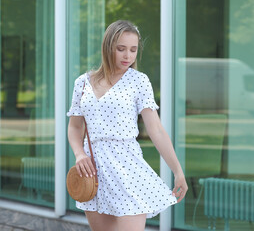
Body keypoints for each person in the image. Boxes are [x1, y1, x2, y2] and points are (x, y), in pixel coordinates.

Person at [67, 20, 188, 231]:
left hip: (127, 167)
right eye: (121, 49)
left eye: (133, 50)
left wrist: (177, 171)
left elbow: (156, 130)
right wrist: (79, 154)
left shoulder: (139, 81)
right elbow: (75, 127)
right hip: (93, 170)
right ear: (107, 47)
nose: (127, 56)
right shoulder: (83, 83)